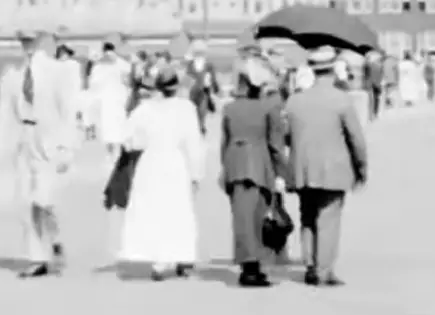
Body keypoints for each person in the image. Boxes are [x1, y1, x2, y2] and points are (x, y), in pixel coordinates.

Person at [0, 28, 77, 278]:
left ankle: (54, 237)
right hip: (26, 137)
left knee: (45, 199)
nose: (26, 45)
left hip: (49, 137)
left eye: (30, 40)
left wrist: (66, 146)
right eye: (22, 41)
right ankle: (37, 257)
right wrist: (1, 147)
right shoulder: (14, 74)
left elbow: (68, 109)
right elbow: (5, 112)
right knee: (27, 201)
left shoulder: (55, 72)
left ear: (40, 41)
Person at [284, 46, 368, 286]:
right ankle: (324, 269)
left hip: (302, 168)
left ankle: (310, 264)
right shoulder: (341, 100)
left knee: (307, 216)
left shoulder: (294, 101)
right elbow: (356, 139)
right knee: (328, 219)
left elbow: (287, 136)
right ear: (332, 70)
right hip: (334, 169)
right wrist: (361, 168)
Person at [120, 65, 205, 281]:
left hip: (151, 162)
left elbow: (129, 140)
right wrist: (196, 173)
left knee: (154, 210)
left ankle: (158, 261)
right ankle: (181, 257)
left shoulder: (144, 109)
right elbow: (194, 143)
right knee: (178, 210)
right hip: (176, 162)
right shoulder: (186, 108)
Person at [219, 58, 289, 287]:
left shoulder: (229, 109)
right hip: (260, 165)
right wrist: (281, 173)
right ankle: (254, 266)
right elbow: (275, 144)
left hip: (235, 164)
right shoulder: (266, 109)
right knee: (258, 217)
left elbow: (224, 141)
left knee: (240, 218)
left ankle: (246, 265)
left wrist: (225, 168)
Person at [88, 41, 133, 163]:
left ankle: (110, 154)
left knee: (107, 128)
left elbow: (93, 85)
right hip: (118, 99)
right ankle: (119, 153)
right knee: (119, 125)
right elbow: (128, 81)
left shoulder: (98, 66)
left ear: (103, 50)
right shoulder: (122, 63)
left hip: (105, 101)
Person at [184, 40, 220, 135]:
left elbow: (212, 77)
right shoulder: (194, 64)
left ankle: (201, 125)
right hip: (196, 90)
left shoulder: (197, 64)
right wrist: (215, 87)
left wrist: (215, 86)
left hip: (201, 90)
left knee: (201, 108)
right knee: (197, 109)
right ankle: (200, 125)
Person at [362, 51, 384, 121]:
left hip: (369, 83)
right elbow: (381, 75)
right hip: (376, 84)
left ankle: (370, 115)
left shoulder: (366, 65)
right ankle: (375, 113)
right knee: (376, 99)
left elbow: (365, 75)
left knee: (370, 100)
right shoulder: (379, 65)